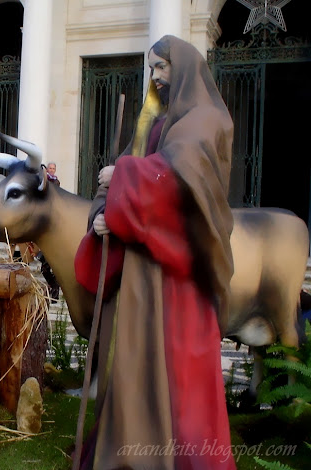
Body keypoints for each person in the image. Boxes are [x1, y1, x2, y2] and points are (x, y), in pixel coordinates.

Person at [75, 35, 236, 469]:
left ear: (182, 68)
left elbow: (182, 178)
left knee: (177, 373)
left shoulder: (206, 119)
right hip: (142, 272)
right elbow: (121, 176)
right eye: (151, 69)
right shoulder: (153, 121)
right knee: (134, 365)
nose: (156, 77)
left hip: (178, 277)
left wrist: (124, 175)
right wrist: (103, 214)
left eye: (162, 66)